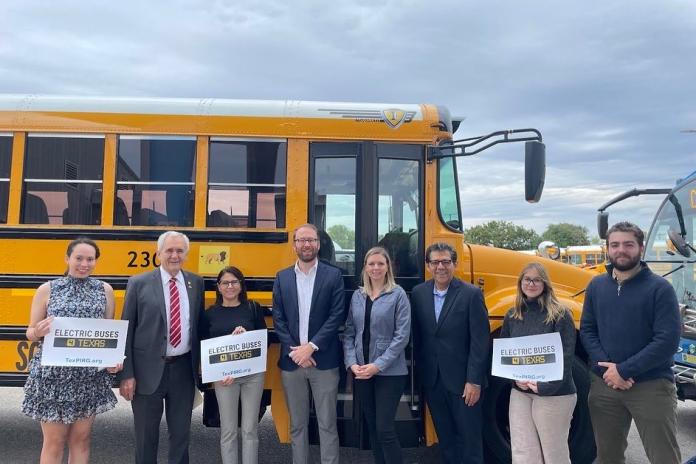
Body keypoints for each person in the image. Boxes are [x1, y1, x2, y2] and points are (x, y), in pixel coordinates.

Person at [580, 221, 682, 464]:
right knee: (607, 456)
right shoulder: (596, 286)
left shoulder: (660, 289)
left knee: (663, 456)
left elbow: (666, 341)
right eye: (614, 245)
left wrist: (624, 370)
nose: (621, 250)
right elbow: (587, 330)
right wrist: (610, 371)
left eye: (628, 244)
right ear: (607, 249)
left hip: (651, 385)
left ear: (641, 247)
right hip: (605, 386)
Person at [22, 237, 122, 464]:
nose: (84, 264)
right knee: (54, 442)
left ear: (96, 261)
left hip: (88, 377)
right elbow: (30, 332)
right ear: (67, 259)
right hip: (53, 377)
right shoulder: (47, 289)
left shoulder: (105, 290)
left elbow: (107, 334)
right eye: (79, 258)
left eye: (90, 259)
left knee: (82, 439)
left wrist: (112, 360)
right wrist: (38, 331)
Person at [119, 231, 205, 464]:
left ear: (186, 254)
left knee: (181, 435)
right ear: (158, 254)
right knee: (146, 437)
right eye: (169, 250)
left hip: (183, 370)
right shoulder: (138, 283)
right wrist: (127, 374)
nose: (174, 255)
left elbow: (199, 326)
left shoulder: (196, 283)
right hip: (147, 371)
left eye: (179, 251)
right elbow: (127, 328)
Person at [410, 242, 490, 464]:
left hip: (464, 384)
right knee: (446, 441)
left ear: (454, 264)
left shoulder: (471, 294)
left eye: (446, 262)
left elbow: (480, 342)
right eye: (435, 262)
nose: (440, 267)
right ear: (428, 266)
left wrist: (473, 381)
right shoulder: (418, 294)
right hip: (433, 381)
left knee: (470, 442)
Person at [272, 223, 345, 464]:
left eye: (311, 240)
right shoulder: (282, 277)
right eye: (301, 240)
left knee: (327, 424)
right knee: (297, 426)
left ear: (318, 244)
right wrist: (297, 351)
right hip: (292, 363)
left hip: (323, 361)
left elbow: (336, 316)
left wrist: (311, 347)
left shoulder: (333, 275)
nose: (306, 244)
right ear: (294, 245)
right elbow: (279, 318)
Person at [500, 262, 577, 464]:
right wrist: (515, 381)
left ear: (545, 284)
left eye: (536, 280)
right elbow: (506, 356)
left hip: (554, 394)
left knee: (554, 454)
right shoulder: (512, 315)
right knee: (523, 452)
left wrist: (545, 386)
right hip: (521, 393)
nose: (531, 284)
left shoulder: (560, 314)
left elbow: (566, 357)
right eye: (527, 279)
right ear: (520, 283)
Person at [343, 247, 411, 464]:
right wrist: (352, 364)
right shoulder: (357, 295)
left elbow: (402, 336)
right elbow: (350, 333)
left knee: (385, 429)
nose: (376, 268)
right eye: (371, 264)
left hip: (390, 373)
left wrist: (378, 365)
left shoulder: (398, 294)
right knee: (372, 427)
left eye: (380, 263)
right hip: (362, 371)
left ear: (388, 266)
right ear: (365, 267)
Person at [200, 266, 267, 464]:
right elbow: (204, 345)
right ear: (218, 287)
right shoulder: (210, 314)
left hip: (252, 376)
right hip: (224, 378)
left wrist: (246, 336)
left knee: (249, 429)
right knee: (228, 430)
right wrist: (215, 373)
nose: (230, 286)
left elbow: (264, 340)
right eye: (225, 283)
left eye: (234, 282)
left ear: (241, 285)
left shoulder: (252, 308)